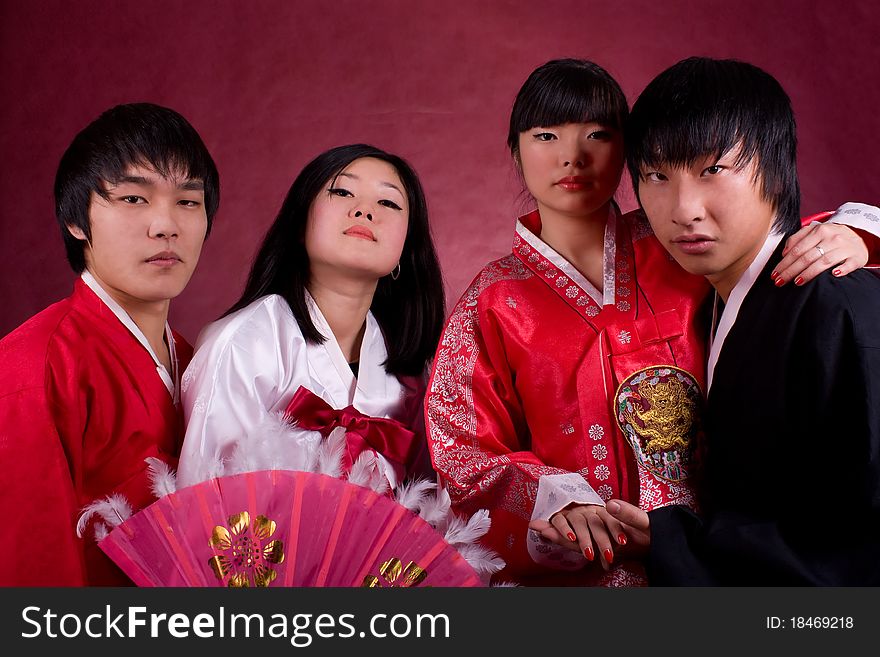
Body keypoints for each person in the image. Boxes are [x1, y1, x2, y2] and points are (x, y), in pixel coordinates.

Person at [426, 59, 879, 586]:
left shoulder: (678, 252)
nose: (572, 157)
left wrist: (860, 231)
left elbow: (778, 244)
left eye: (597, 134)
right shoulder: (493, 300)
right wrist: (549, 495)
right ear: (515, 148)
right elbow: (461, 446)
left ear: (623, 152)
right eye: (545, 134)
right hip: (600, 573)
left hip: (730, 565)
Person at [605, 57, 880, 585]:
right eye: (656, 176)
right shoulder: (701, 301)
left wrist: (672, 541)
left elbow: (855, 537)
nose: (684, 208)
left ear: (775, 168)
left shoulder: (832, 303)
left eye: (712, 170)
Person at [0, 103, 219, 585]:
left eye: (188, 201)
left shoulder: (198, 359)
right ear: (77, 222)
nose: (166, 225)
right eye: (134, 199)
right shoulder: (33, 366)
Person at [177, 144, 445, 491]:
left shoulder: (413, 377)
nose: (364, 210)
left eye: (388, 203)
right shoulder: (245, 342)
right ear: (301, 224)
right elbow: (204, 502)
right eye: (343, 191)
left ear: (405, 252)